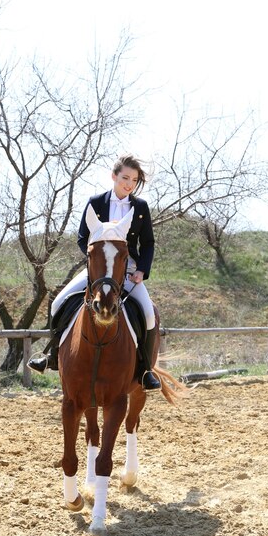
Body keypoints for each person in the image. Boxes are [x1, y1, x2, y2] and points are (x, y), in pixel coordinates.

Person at [28, 154, 161, 391]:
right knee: (58, 302)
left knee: (149, 314)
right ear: (114, 176)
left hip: (128, 270)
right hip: (98, 271)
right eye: (125, 178)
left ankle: (144, 370)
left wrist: (142, 270)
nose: (129, 184)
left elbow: (148, 243)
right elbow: (82, 237)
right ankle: (53, 356)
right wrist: (95, 260)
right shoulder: (96, 202)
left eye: (134, 180)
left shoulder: (140, 207)